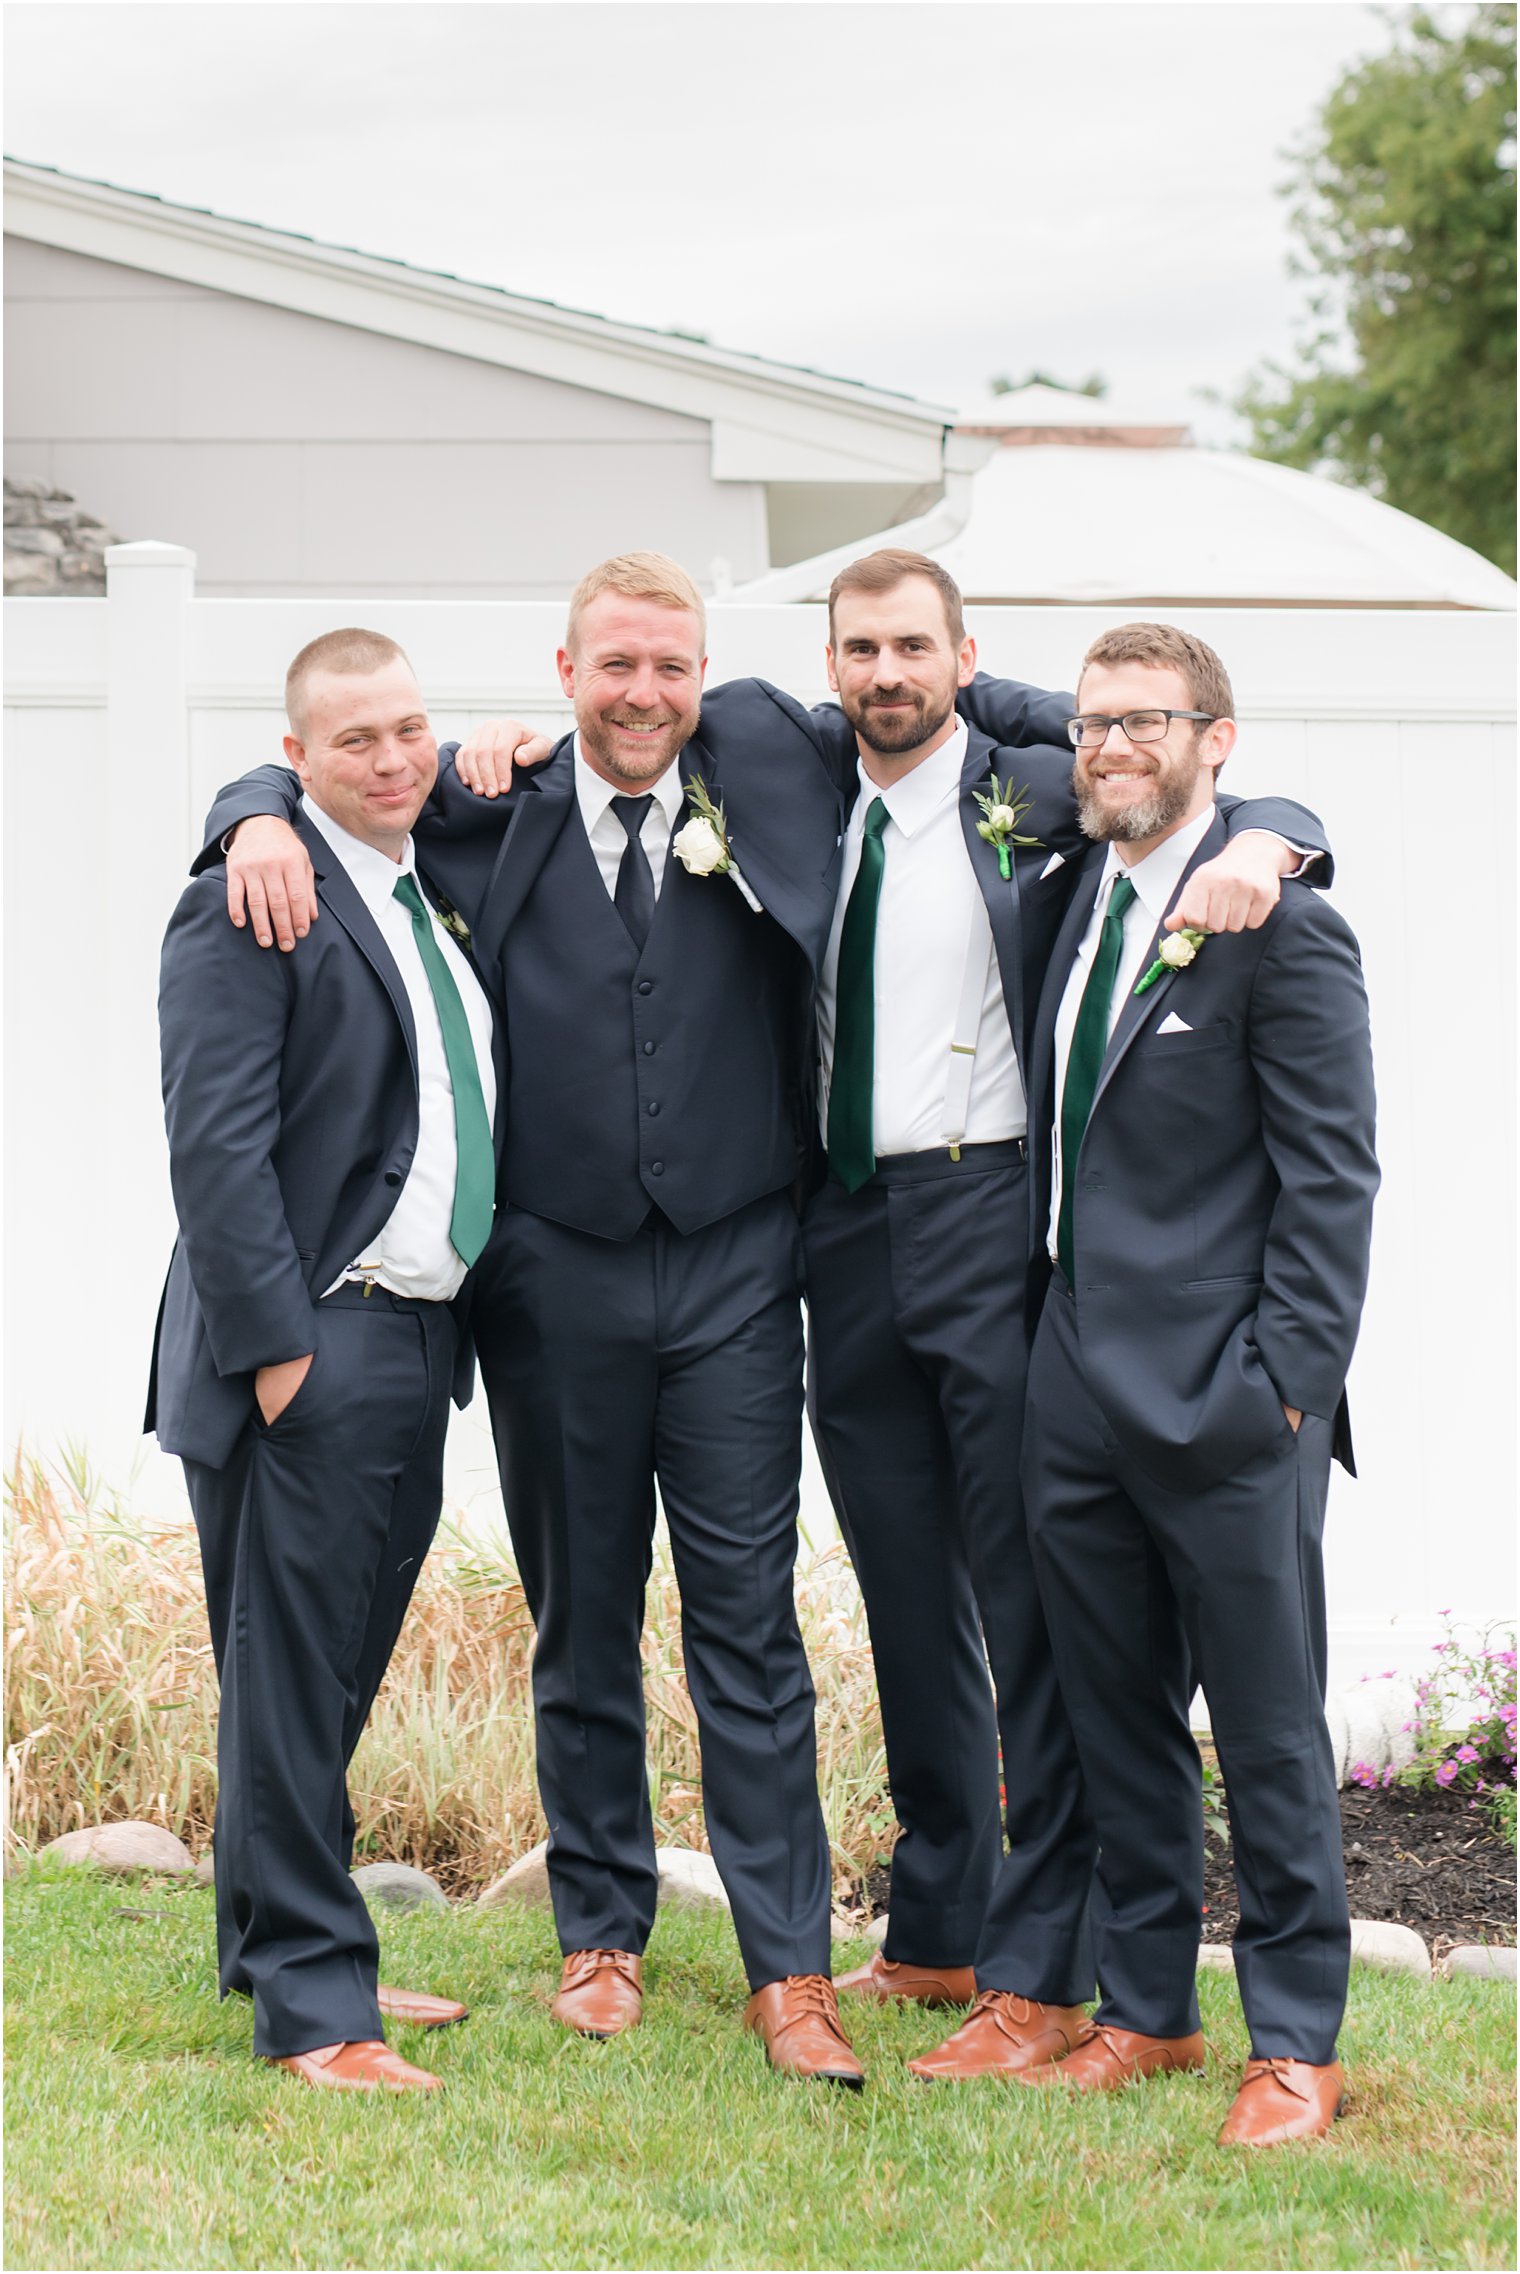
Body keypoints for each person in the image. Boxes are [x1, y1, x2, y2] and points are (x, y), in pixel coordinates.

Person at [205, 553, 1327, 2082]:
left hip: (784, 1264)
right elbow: (335, 777)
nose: (644, 693)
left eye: (671, 667)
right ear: (565, 670)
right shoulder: (488, 804)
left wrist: (1280, 828)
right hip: (584, 1278)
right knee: (601, 1614)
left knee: (782, 1620)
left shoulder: (823, 761)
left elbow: (1080, 733)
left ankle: (794, 1967)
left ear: (712, 675)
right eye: (614, 668)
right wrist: (248, 808)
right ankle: (604, 1928)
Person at [1010, 623, 1377, 2145]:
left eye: (1145, 722)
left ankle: (1293, 2036)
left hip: (1231, 1399)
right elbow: (961, 693)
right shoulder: (1072, 888)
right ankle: (1150, 2009)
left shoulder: (1276, 921)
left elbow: (1335, 1176)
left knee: (1270, 1725)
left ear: (1217, 740)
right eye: (1094, 722)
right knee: (1117, 1716)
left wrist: (1286, 1384)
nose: (1109, 745)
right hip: (1072, 1379)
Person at [151, 629, 500, 2092]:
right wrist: (283, 1356)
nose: (395, 757)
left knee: (325, 1674)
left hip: (417, 1340)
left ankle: (267, 1938)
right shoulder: (251, 895)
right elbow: (215, 1148)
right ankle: (313, 2002)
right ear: (298, 756)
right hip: (313, 1339)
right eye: (356, 739)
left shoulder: (426, 881)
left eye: (411, 727)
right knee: (295, 1678)